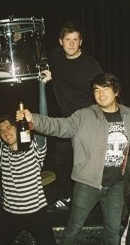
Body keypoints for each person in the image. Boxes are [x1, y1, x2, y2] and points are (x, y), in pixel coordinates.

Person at [21, 72, 130, 245]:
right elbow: (60, 126)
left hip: (117, 184)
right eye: (96, 90)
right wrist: (34, 119)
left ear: (116, 91)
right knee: (73, 229)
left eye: (105, 89)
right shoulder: (84, 115)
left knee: (112, 233)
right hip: (87, 184)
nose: (100, 94)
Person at [0, 85, 56, 245]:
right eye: (2, 130)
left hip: (36, 212)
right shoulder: (0, 151)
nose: (5, 132)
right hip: (11, 213)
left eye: (9, 127)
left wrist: (41, 85)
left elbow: (43, 120)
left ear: (17, 127)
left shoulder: (34, 147)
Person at [43, 20, 103, 208]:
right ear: (60, 42)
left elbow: (103, 89)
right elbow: (36, 54)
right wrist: (51, 76)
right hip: (66, 120)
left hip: (87, 119)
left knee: (87, 162)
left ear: (80, 42)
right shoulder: (55, 57)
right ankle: (64, 196)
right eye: (67, 40)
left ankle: (94, 199)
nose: (71, 44)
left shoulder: (90, 65)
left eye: (75, 40)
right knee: (62, 161)